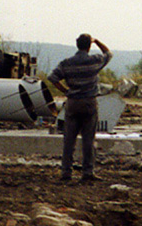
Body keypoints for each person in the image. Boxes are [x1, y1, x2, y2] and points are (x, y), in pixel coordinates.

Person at [47, 33, 112, 182]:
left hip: (73, 102)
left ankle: (66, 173)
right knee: (88, 140)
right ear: (89, 46)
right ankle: (87, 172)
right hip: (89, 102)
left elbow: (52, 78)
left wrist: (66, 91)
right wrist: (97, 41)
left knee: (69, 140)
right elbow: (108, 53)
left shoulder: (67, 63)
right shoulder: (94, 61)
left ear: (77, 45)